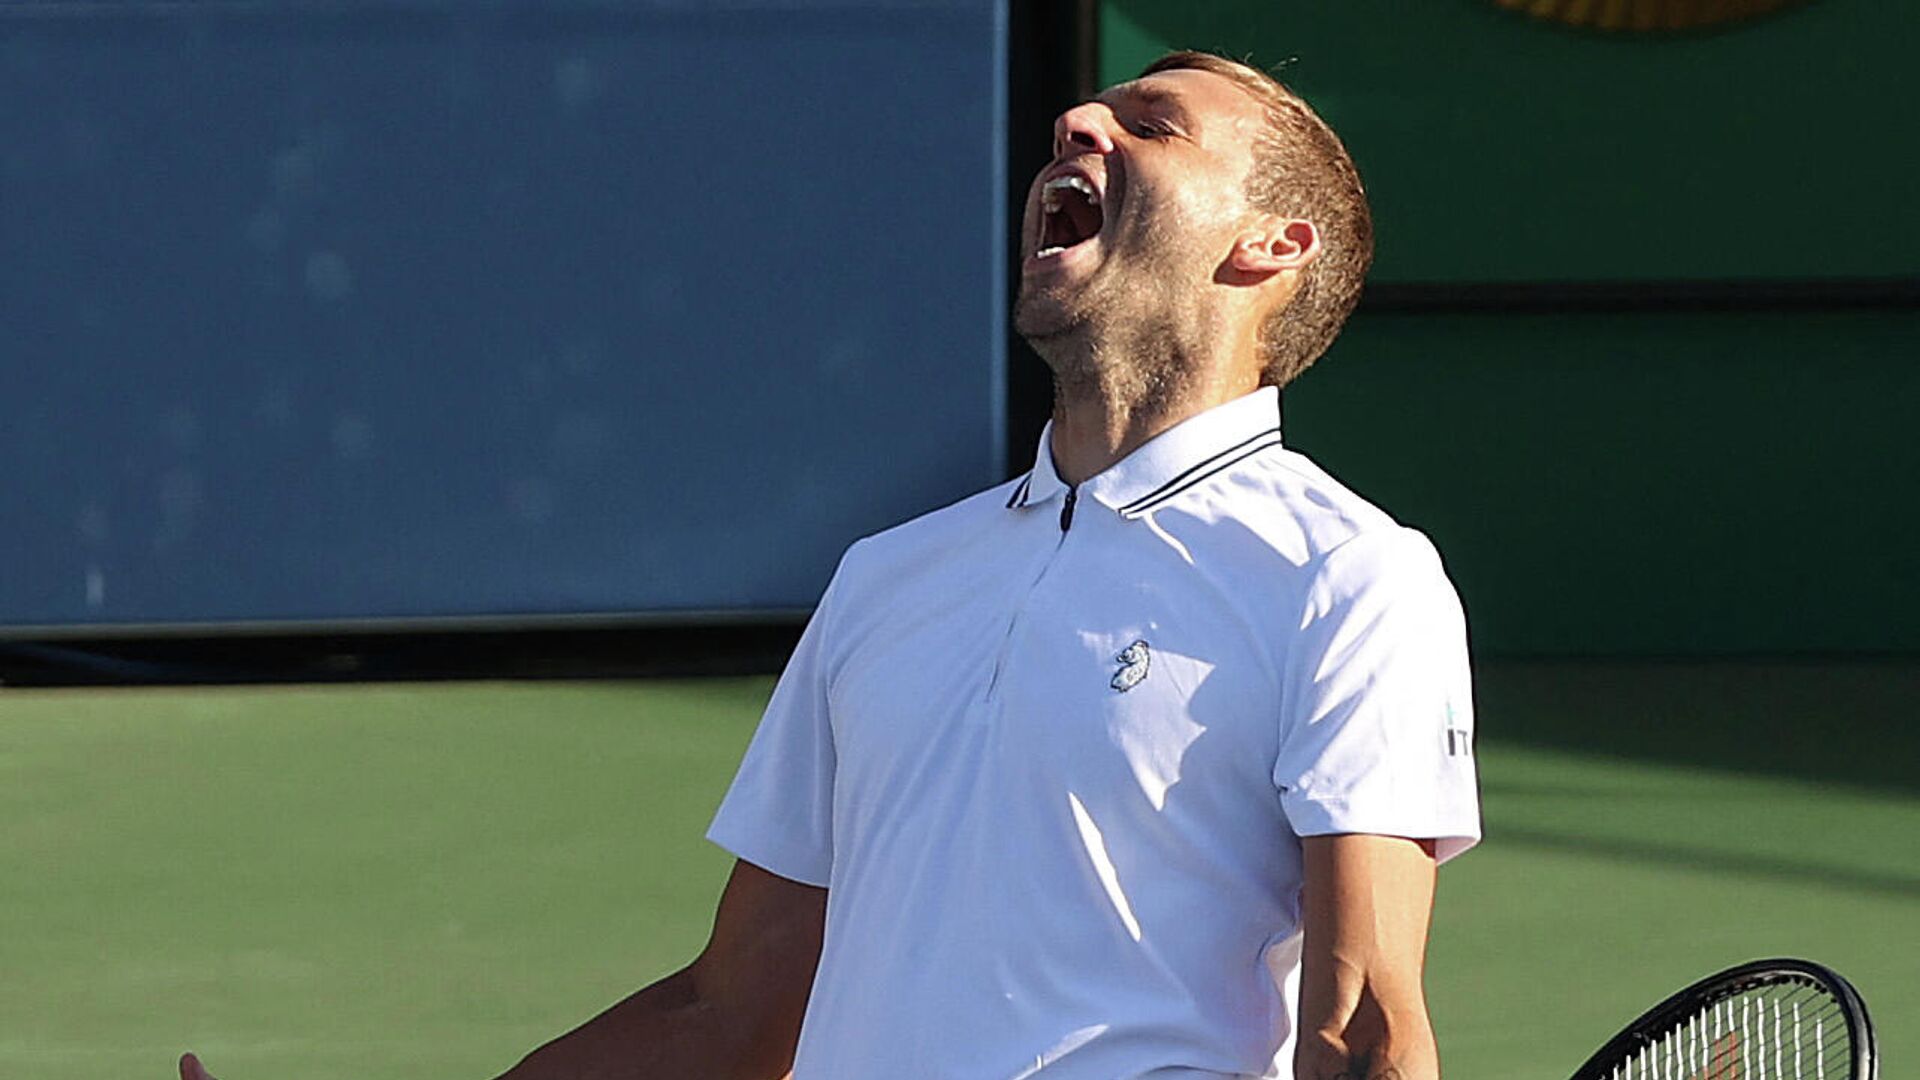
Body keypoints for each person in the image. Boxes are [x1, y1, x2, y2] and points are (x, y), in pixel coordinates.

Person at [181, 48, 1478, 1080]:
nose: (1079, 120)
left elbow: (1363, 1027)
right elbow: (730, 1016)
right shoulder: (889, 582)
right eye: (1085, 118)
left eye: (1153, 123)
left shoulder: (1351, 579)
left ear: (1269, 246)